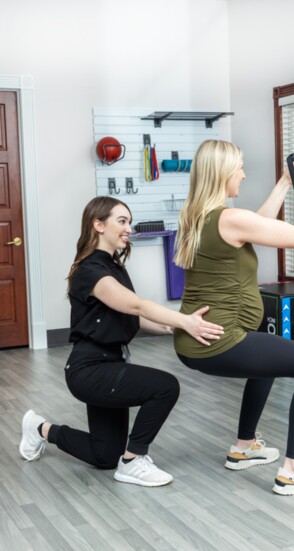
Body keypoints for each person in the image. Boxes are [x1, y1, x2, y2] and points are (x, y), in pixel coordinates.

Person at [19, 196, 224, 487]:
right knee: (165, 387)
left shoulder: (114, 266)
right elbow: (137, 305)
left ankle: (39, 428)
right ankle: (133, 460)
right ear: (98, 225)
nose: (129, 228)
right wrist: (184, 320)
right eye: (122, 221)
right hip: (89, 370)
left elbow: (132, 317)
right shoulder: (90, 270)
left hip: (109, 365)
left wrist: (173, 329)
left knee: (103, 455)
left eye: (129, 222)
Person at [174, 139, 294, 496]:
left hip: (193, 342)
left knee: (269, 362)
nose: (244, 175)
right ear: (223, 173)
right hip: (220, 340)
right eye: (240, 168)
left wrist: (283, 182)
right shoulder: (228, 218)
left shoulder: (197, 216)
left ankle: (244, 447)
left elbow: (255, 226)